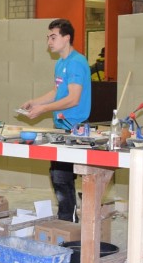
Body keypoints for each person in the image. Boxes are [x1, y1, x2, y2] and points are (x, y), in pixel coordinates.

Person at [20, 18, 92, 222]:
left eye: (53, 37)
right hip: (62, 127)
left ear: (66, 38)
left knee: (61, 176)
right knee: (59, 174)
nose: (49, 42)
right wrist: (35, 102)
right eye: (48, 38)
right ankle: (67, 218)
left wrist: (43, 109)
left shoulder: (77, 63)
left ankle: (67, 221)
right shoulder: (61, 64)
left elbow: (73, 98)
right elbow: (57, 91)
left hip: (75, 129)